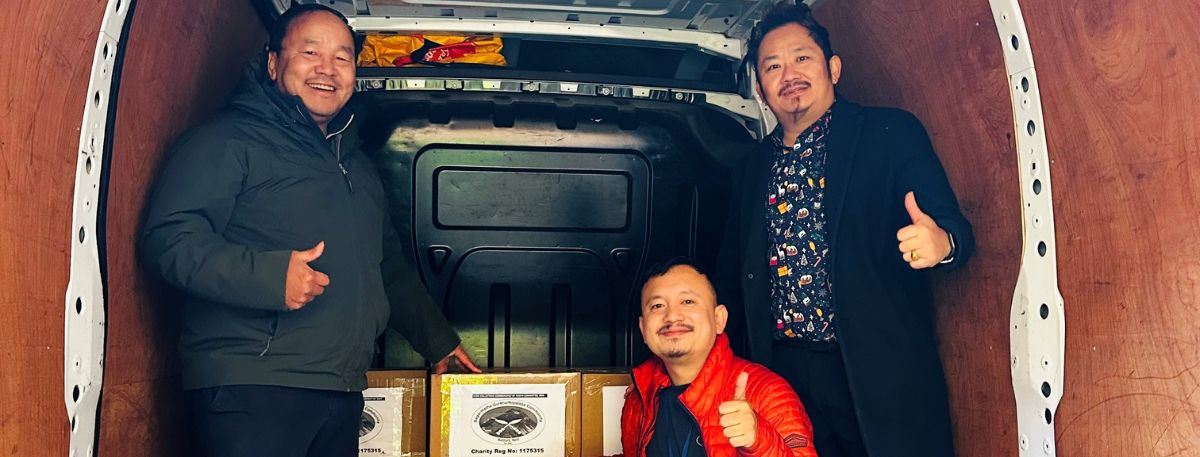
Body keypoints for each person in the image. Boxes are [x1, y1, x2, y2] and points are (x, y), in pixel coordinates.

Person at [140, 5, 478, 456]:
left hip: (339, 388)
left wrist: (438, 342)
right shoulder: (227, 141)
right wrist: (268, 277)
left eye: (342, 57)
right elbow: (169, 239)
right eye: (310, 51)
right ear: (274, 62)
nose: (327, 69)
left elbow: (387, 270)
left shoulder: (356, 166)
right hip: (253, 388)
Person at [714, 2, 975, 456]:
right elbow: (731, 277)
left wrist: (941, 243)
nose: (788, 73)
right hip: (781, 373)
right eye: (772, 66)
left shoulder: (889, 132)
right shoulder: (750, 168)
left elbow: (955, 230)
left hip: (876, 372)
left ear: (833, 67)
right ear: (760, 87)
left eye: (802, 57)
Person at [621, 258, 818, 457]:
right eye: (657, 306)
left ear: (719, 319)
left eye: (687, 301)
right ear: (643, 329)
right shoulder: (639, 397)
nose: (672, 316)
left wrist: (760, 442)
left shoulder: (767, 392)